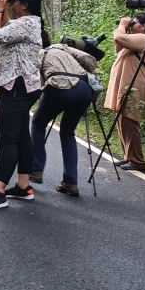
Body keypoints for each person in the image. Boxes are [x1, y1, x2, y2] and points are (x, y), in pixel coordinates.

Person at [0, 0, 46, 212]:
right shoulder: (27, 24)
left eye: (13, 1)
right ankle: (23, 186)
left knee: (7, 140)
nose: (10, 4)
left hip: (17, 87)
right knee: (22, 136)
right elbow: (6, 29)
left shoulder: (26, 23)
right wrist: (4, 10)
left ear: (24, 5)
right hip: (23, 86)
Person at [29, 40, 100, 197]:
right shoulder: (64, 48)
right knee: (68, 132)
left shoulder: (40, 52)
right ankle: (70, 182)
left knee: (38, 123)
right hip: (83, 89)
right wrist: (94, 71)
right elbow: (89, 59)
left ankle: (36, 169)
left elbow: (35, 80)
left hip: (57, 86)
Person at [104, 12, 145, 172]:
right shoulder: (135, 41)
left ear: (144, 26)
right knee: (123, 120)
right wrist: (126, 28)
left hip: (136, 85)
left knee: (130, 120)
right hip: (127, 85)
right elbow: (118, 46)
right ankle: (129, 157)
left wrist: (122, 25)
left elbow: (118, 38)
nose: (130, 25)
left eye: (134, 23)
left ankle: (137, 161)